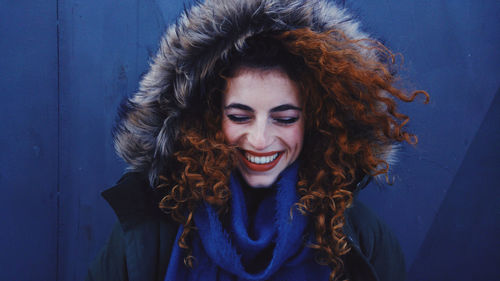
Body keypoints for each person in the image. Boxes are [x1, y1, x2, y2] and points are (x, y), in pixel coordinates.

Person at [87, 0, 428, 280]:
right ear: (208, 118)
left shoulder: (362, 238)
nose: (261, 139)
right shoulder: (150, 228)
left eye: (284, 118)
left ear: (317, 122)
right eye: (240, 116)